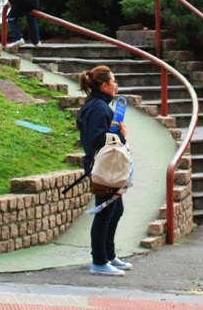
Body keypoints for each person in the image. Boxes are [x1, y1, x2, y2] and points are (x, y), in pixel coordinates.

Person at [76, 65, 132, 276]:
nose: (116, 85)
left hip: (105, 166)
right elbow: (97, 140)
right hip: (102, 166)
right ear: (104, 85)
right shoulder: (98, 108)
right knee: (105, 210)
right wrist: (120, 133)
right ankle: (99, 261)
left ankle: (108, 255)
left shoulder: (98, 105)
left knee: (115, 209)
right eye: (113, 81)